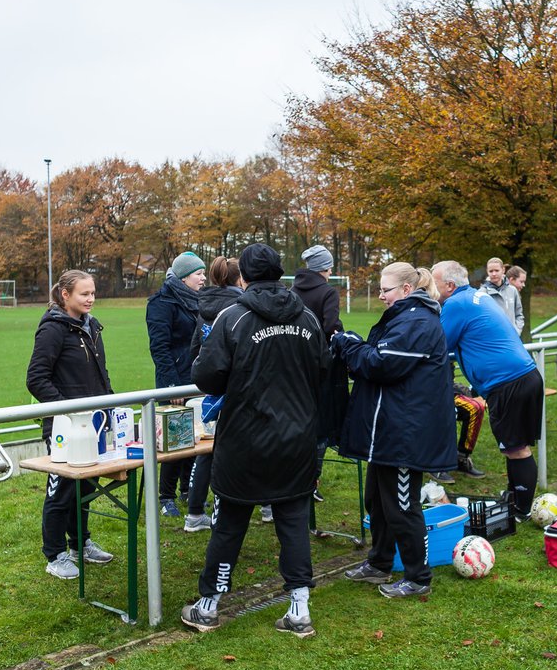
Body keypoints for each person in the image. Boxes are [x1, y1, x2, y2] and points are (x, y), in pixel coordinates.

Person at [181, 243, 330, 638]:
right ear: (280, 274)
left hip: (245, 440)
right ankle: (299, 609)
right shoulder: (309, 318)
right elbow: (323, 370)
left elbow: (208, 377)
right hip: (296, 438)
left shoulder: (232, 317)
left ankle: (209, 605)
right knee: (293, 522)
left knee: (229, 523)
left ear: (243, 277)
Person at [335, 264, 455, 598]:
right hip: (389, 430)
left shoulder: (417, 321)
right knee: (377, 499)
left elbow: (381, 364)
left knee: (402, 505)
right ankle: (379, 563)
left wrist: (348, 345)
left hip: (407, 434)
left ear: (405, 289)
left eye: (385, 290)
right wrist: (357, 346)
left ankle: (418, 578)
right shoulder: (404, 317)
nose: (381, 296)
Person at [432, 260, 543, 521]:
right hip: (521, 377)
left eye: (435, 284)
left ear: (449, 286)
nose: (432, 290)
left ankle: (521, 509)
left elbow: (439, 344)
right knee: (513, 447)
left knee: (516, 448)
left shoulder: (456, 304)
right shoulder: (475, 296)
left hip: (509, 382)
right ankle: (514, 498)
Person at [26, 270, 115, 580]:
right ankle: (54, 554)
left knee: (86, 486)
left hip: (93, 424)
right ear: (65, 295)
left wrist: (109, 405)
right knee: (61, 490)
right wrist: (69, 411)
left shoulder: (90, 326)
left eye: (93, 292)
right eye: (83, 294)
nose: (90, 298)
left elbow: (100, 375)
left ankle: (80, 544)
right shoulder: (53, 329)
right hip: (65, 429)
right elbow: (36, 379)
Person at [181, 256, 245, 533]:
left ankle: (195, 513)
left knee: (207, 451)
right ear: (239, 279)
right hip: (236, 389)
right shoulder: (240, 307)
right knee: (237, 451)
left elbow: (196, 351)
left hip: (212, 388)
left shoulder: (203, 305)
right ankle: (265, 507)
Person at [146, 251, 206, 518]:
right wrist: (171, 386)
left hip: (195, 379)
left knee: (194, 438)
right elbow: (159, 348)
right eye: (198, 274)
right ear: (183, 278)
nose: (204, 278)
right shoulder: (161, 303)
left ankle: (187, 490)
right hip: (174, 381)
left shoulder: (197, 300)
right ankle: (165, 496)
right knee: (173, 443)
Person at [290, 245, 348, 504]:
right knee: (320, 427)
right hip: (320, 368)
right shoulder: (328, 292)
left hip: (292, 363)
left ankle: (292, 478)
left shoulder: (292, 290)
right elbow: (331, 327)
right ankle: (311, 481)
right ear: (326, 267)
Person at [479, 257, 524, 334]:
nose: (494, 274)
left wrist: (517, 331)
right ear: (487, 271)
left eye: (496, 270)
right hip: (494, 339)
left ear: (503, 270)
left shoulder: (512, 290)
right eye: (491, 271)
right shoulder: (481, 293)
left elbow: (519, 314)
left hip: (512, 338)